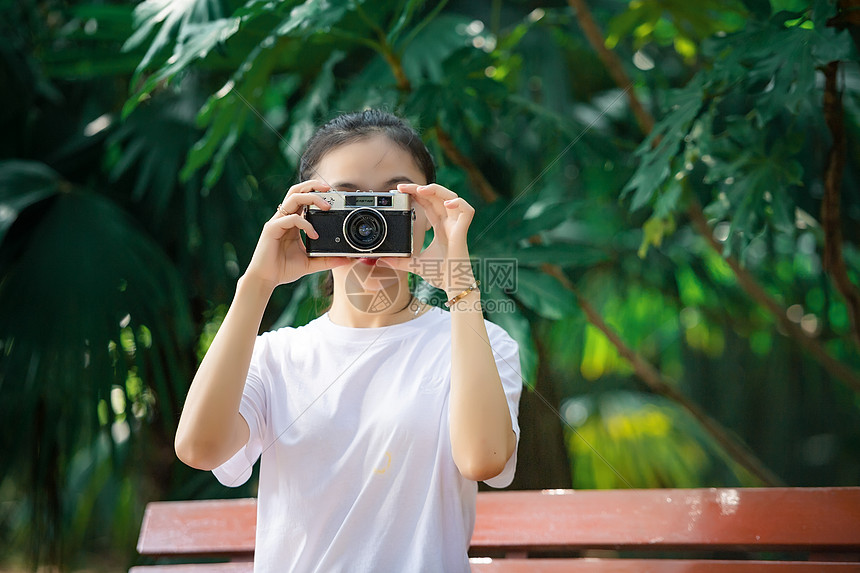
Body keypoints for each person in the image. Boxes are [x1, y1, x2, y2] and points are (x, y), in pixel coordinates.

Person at [174, 109, 522, 572]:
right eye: (347, 200)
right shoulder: (277, 357)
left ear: (428, 213)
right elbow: (200, 448)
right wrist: (257, 284)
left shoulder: (480, 342)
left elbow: (484, 459)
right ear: (307, 212)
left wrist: (459, 283)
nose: (368, 221)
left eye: (393, 199)